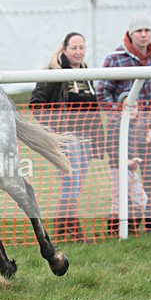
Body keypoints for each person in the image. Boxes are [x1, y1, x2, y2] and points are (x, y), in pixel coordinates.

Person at [97, 12, 151, 232]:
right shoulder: (115, 58)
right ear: (130, 33)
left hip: (150, 131)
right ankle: (118, 227)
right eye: (139, 31)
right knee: (124, 183)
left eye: (147, 30)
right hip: (123, 133)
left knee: (150, 181)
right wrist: (122, 113)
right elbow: (103, 92)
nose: (144, 35)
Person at [30, 32, 105, 242]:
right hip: (67, 139)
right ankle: (72, 229)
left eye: (82, 47)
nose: (78, 52)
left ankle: (64, 231)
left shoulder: (86, 73)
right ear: (64, 49)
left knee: (77, 184)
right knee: (70, 183)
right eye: (74, 47)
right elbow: (36, 104)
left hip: (85, 139)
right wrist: (56, 132)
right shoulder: (54, 72)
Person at [104, 92, 149, 236]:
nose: (132, 109)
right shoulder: (116, 124)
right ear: (121, 108)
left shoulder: (136, 124)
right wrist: (125, 161)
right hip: (117, 168)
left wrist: (147, 139)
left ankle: (131, 230)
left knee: (139, 200)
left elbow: (136, 146)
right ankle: (113, 233)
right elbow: (110, 148)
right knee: (120, 201)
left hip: (130, 169)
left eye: (135, 106)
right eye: (128, 106)